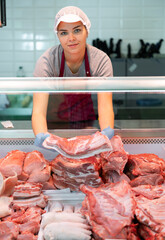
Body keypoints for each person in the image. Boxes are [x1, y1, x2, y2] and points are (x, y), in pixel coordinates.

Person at [32, 6, 114, 145]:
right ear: (57, 35)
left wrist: (105, 135)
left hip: (88, 129)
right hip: (53, 130)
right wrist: (44, 137)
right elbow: (38, 112)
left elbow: (105, 106)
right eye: (64, 33)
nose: (71, 38)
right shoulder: (48, 61)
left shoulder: (100, 60)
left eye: (77, 30)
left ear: (87, 31)